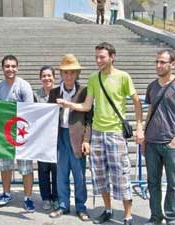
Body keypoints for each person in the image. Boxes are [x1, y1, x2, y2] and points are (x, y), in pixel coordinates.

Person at [56, 42, 144, 225]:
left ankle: (127, 215)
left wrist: (139, 126)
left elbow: (136, 101)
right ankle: (108, 209)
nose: (98, 60)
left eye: (102, 57)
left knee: (121, 175)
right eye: (96, 57)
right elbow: (87, 106)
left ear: (112, 57)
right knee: (100, 176)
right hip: (97, 133)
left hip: (115, 133)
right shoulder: (93, 78)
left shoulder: (123, 76)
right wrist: (69, 104)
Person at [48, 54, 92, 222]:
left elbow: (89, 119)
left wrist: (87, 140)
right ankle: (63, 205)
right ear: (60, 74)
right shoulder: (54, 92)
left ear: (77, 74)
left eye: (72, 72)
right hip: (60, 137)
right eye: (65, 72)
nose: (68, 76)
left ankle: (81, 207)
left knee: (79, 175)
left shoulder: (84, 92)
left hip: (77, 138)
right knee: (61, 174)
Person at [0, 55, 35, 212]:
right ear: (3, 68)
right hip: (4, 133)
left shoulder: (24, 86)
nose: (10, 69)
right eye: (7, 66)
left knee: (26, 167)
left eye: (13, 66)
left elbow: (30, 110)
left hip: (21, 132)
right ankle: (6, 193)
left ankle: (28, 198)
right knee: (5, 166)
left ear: (17, 68)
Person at [143, 49, 175, 225]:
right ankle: (156, 216)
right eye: (156, 62)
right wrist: (144, 135)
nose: (158, 65)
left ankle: (171, 216)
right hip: (152, 142)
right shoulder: (152, 86)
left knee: (173, 183)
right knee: (152, 182)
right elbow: (149, 112)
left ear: (172, 64)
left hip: (170, 143)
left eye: (162, 62)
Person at [34, 65, 58, 211]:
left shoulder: (60, 93)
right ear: (40, 78)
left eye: (49, 75)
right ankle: (46, 198)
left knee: (56, 169)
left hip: (57, 137)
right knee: (43, 169)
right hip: (41, 137)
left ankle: (56, 197)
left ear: (54, 78)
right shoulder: (36, 95)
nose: (47, 78)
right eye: (44, 76)